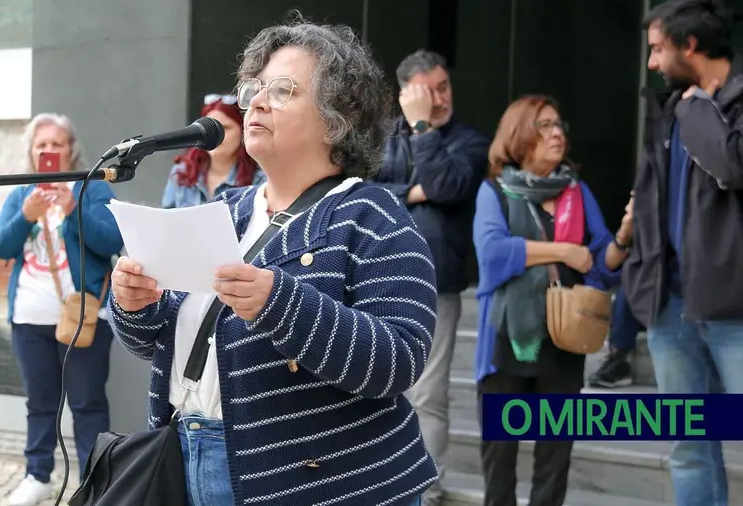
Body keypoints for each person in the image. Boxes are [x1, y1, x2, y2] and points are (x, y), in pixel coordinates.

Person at [109, 17, 435, 506]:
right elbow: (160, 342)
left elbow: (399, 360)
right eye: (254, 89)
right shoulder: (226, 210)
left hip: (322, 486)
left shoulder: (374, 215)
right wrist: (134, 307)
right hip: (188, 458)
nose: (256, 102)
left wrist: (279, 302)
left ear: (337, 115)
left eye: (283, 91)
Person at [473, 95, 632, 506]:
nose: (557, 132)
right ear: (519, 133)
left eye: (559, 124)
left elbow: (598, 262)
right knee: (500, 461)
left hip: (564, 338)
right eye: (543, 125)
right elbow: (492, 255)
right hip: (507, 341)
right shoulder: (495, 191)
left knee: (554, 460)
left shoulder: (576, 193)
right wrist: (562, 250)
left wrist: (623, 238)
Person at [624, 2, 743, 504]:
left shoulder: (708, 105)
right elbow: (648, 196)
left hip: (734, 306)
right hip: (669, 305)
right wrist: (638, 271)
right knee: (690, 445)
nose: (651, 63)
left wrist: (697, 109)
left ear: (689, 46)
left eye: (657, 49)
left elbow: (731, 165)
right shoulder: (671, 108)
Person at [0, 113, 124, 506]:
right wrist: (24, 216)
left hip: (81, 314)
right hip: (28, 316)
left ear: (71, 149)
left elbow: (113, 239)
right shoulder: (21, 193)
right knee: (39, 402)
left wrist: (73, 211)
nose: (48, 151)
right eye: (41, 145)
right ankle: (37, 476)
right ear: (32, 152)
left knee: (87, 403)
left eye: (56, 144)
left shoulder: (92, 187)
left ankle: (94, 483)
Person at [370, 49, 489, 503]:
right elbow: (363, 191)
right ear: (405, 94)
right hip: (378, 277)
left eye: (444, 87)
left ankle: (427, 489)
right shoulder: (379, 137)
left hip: (439, 282)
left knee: (428, 394)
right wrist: (411, 192)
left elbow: (446, 186)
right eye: (428, 91)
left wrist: (421, 129)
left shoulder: (469, 141)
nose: (439, 98)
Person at [162, 93, 264, 208]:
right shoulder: (182, 172)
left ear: (242, 131)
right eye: (209, 129)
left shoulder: (260, 178)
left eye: (224, 128)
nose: (215, 136)